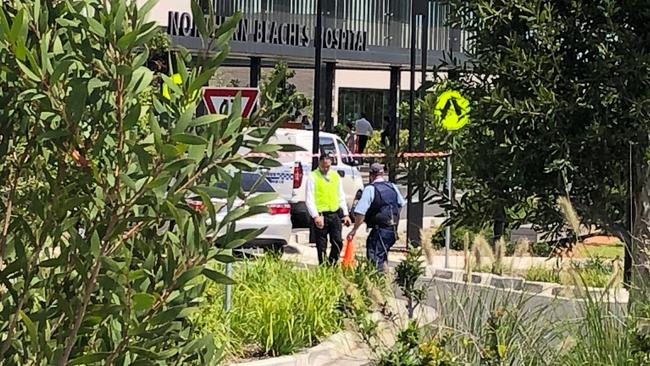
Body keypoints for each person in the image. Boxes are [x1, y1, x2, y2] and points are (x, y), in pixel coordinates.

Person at [347, 163, 406, 272]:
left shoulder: (370, 189)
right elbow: (401, 204)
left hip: (379, 230)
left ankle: (376, 285)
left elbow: (360, 212)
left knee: (375, 258)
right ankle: (384, 281)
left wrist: (354, 230)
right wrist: (393, 219)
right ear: (382, 174)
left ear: (371, 175)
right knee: (382, 256)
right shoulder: (392, 186)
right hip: (392, 230)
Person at [306, 153, 352, 265]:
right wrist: (315, 216)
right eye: (324, 166)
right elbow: (309, 198)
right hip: (321, 216)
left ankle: (331, 264)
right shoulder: (313, 176)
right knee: (321, 245)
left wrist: (346, 214)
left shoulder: (335, 176)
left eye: (328, 166)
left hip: (334, 214)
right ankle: (323, 267)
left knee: (338, 242)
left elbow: (341, 195)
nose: (326, 169)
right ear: (319, 163)